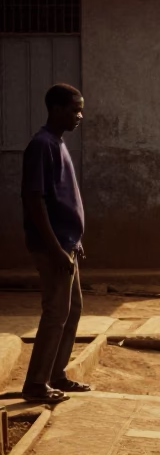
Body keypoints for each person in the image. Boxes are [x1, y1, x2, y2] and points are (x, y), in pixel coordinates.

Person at [21, 84, 90, 403]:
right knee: (55, 313)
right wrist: (56, 248)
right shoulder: (41, 145)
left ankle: (56, 375)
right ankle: (36, 384)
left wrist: (74, 241)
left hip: (67, 245)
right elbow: (34, 201)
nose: (80, 115)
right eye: (75, 109)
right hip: (53, 248)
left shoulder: (58, 144)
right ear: (56, 109)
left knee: (72, 310)